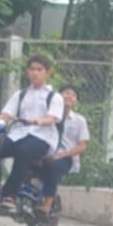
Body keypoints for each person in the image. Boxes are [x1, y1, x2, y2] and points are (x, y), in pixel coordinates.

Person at [0, 55, 61, 207]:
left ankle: (10, 195)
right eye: (32, 69)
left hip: (43, 138)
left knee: (24, 151)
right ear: (27, 72)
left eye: (39, 70)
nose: (35, 73)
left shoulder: (54, 96)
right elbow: (6, 115)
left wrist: (39, 120)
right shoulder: (20, 94)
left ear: (47, 73)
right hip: (18, 134)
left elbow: (52, 118)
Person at [37, 85, 89, 217]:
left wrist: (61, 155)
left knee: (52, 167)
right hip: (45, 152)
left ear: (76, 100)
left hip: (65, 158)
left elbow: (82, 146)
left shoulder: (79, 120)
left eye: (72, 94)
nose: (69, 96)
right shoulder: (48, 117)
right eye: (66, 93)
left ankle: (47, 205)